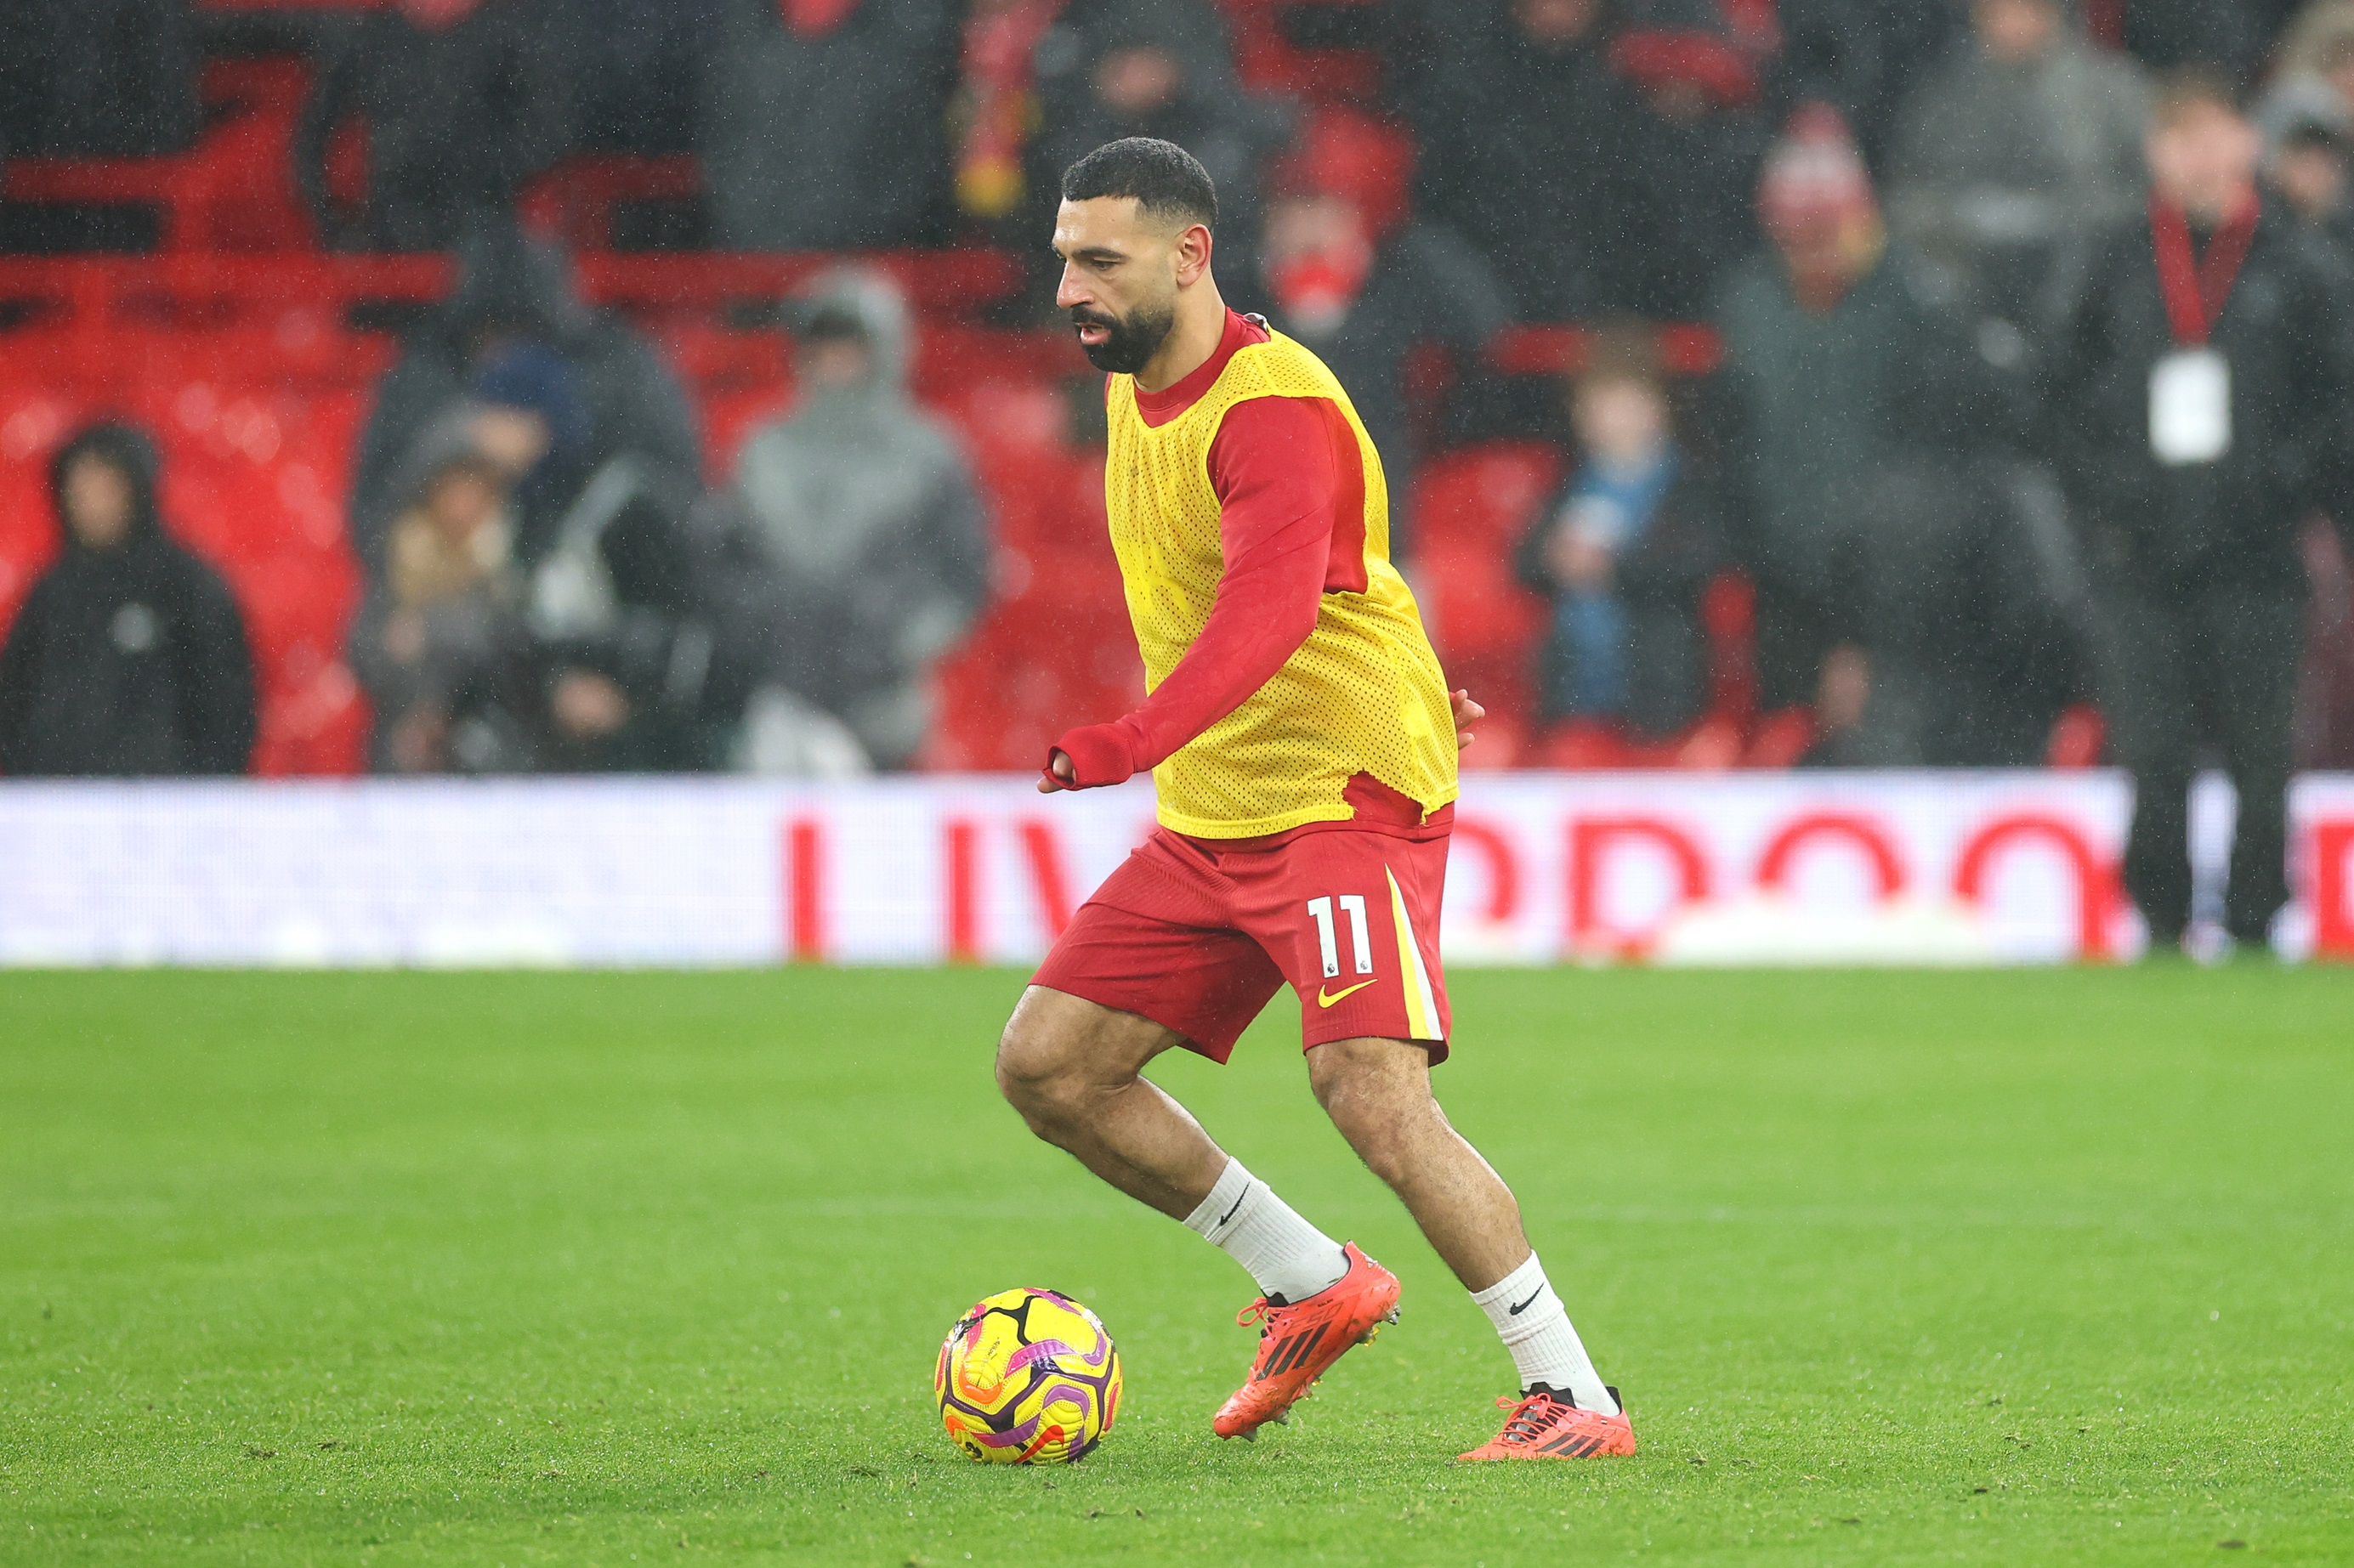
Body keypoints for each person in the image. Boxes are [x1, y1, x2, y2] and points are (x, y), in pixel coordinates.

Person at [1001, 137, 1635, 1463]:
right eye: (1064, 257)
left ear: (1192, 256)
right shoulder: (1132, 373)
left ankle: (1573, 1396)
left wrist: (1129, 738)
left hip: (1340, 795)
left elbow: (1273, 613)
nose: (1072, 286)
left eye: (1099, 261)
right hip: (1221, 802)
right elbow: (1349, 576)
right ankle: (1308, 1279)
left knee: (1368, 1088)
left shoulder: (1270, 407)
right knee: (1052, 1068)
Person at [2044, 71, 2354, 954]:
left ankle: (2258, 918)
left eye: (2214, 133)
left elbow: (2335, 404)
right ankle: (2161, 915)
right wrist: (2110, 493)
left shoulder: (2300, 267)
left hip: (2257, 549)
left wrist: (2282, 484)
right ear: (2154, 150)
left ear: (2247, 143)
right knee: (2153, 749)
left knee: (2264, 755)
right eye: (2179, 136)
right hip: (2141, 549)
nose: (2199, 153)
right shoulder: (2111, 262)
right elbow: (2062, 399)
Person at [1712, 105, 2025, 765]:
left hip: (1898, 596)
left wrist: (1861, 632)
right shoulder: (1745, 305)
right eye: (1802, 231)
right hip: (1783, 583)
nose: (1819, 247)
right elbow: (1738, 455)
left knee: (1894, 739)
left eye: (1833, 229)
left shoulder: (1908, 308)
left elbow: (1933, 464)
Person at [728, 271, 990, 771]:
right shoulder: (760, 452)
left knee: (886, 838)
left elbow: (965, 574)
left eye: (850, 349)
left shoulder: (930, 454)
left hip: (887, 698)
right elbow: (729, 562)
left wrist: (899, 642)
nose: (835, 364)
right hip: (780, 691)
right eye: (822, 350)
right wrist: (765, 633)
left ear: (884, 353)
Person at [348, 225, 702, 579]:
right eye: (491, 344)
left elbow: (677, 502)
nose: (510, 370)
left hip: (594, 596)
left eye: (526, 344)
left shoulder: (621, 374)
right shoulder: (423, 381)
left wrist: (569, 435)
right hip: (454, 603)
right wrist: (460, 445)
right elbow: (375, 519)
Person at [1256, 110, 1511, 552]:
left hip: (1381, 525)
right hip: (1265, 527)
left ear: (1360, 219)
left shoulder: (1405, 278)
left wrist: (1407, 244)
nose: (1312, 231)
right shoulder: (1233, 287)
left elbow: (1484, 327)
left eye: (1331, 211)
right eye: (1297, 211)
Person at [0, 422, 255, 777]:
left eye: (105, 489)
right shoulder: (50, 594)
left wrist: (202, 793)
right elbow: (14, 700)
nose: (91, 504)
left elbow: (226, 707)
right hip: (59, 808)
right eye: (80, 491)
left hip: (168, 808)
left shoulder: (187, 587)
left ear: (135, 490)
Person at [1887, 0, 2151, 330]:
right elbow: (1908, 193)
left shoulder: (2114, 89)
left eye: (2025, 9)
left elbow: (2148, 192)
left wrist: (2062, 215)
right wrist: (1967, 215)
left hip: (2092, 289)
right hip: (1971, 288)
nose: (2012, 24)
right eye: (1995, 12)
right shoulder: (1945, 97)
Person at [1514, 333, 1722, 744]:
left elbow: (1699, 562)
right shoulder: (1570, 482)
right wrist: (1553, 558)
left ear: (1657, 407)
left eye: (1623, 402)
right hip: (1573, 697)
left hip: (1656, 695)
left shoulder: (1688, 484)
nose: (1610, 418)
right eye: (1597, 404)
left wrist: (1612, 566)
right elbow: (1522, 563)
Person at [1398, 0, 1637, 320]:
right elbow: (1438, 199)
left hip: (1597, 290)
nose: (1560, 9)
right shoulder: (1465, 82)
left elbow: (1628, 210)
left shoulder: (1624, 88)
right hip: (1486, 276)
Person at [295, 0, 573, 252]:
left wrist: (487, 172)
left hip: (484, 233)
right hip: (391, 235)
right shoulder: (372, 38)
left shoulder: (508, 38)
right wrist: (336, 228)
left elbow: (545, 133)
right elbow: (312, 138)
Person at [346, 428, 542, 773]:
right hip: (404, 741)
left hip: (488, 736)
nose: (464, 504)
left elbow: (510, 642)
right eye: (456, 488)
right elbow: (364, 646)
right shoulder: (400, 556)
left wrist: (430, 629)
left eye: (476, 491)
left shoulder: (502, 559)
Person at [699, 0, 958, 251]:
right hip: (758, 263)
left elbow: (914, 170)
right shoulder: (742, 48)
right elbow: (724, 161)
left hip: (871, 267)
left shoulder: (903, 49)